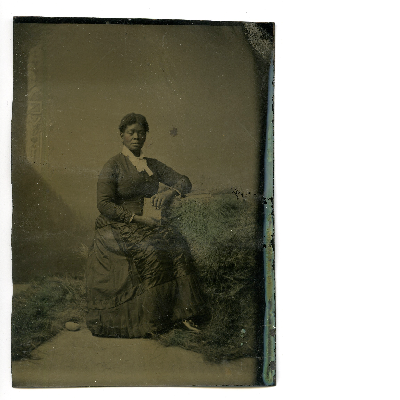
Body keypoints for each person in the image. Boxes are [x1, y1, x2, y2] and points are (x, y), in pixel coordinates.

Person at [86, 113, 206, 338]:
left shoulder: (152, 165)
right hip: (120, 223)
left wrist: (170, 192)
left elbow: (184, 181)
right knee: (152, 252)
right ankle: (156, 320)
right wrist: (136, 219)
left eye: (141, 133)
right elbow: (103, 204)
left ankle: (185, 315)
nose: (136, 137)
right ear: (121, 135)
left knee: (178, 246)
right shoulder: (112, 165)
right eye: (131, 132)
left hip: (150, 222)